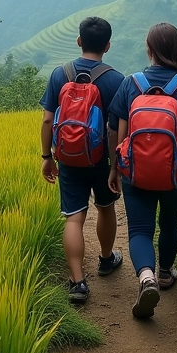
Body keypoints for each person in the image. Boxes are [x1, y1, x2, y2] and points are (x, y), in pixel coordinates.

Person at [108, 22, 177, 319]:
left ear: (149, 49)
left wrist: (115, 169)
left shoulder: (132, 83)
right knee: (169, 223)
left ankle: (146, 278)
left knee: (140, 229)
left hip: (135, 172)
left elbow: (116, 130)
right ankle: (166, 274)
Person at [40, 16, 125, 303]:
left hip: (67, 157)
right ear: (108, 46)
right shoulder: (116, 79)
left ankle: (77, 283)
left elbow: (48, 120)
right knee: (105, 207)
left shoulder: (59, 74)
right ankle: (105, 259)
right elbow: (118, 128)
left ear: (79, 41)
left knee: (74, 218)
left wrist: (46, 157)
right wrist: (116, 166)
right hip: (101, 160)